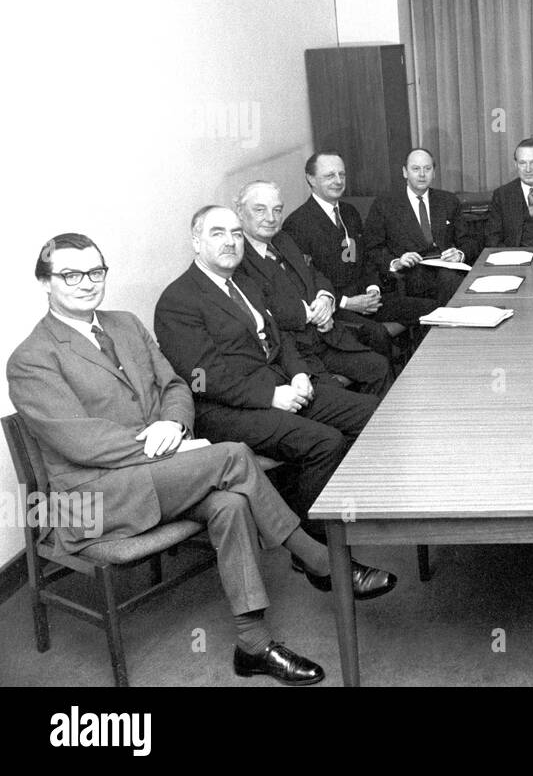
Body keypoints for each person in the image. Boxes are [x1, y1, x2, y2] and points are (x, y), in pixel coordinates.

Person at [8, 233, 394, 686]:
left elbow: (175, 385)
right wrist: (172, 447)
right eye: (70, 274)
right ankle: (321, 562)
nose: (86, 283)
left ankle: (252, 643)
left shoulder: (125, 324)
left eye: (96, 271)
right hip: (92, 498)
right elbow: (80, 442)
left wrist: (174, 426)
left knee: (229, 504)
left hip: (158, 475)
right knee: (231, 456)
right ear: (45, 283)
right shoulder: (30, 359)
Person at [153, 206, 385, 580]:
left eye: (236, 233)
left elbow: (280, 340)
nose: (230, 241)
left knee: (373, 413)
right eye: (217, 233)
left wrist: (299, 376)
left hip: (281, 386)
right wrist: (271, 394)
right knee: (325, 442)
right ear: (196, 241)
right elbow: (203, 376)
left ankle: (335, 511)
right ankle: (317, 553)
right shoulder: (178, 300)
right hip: (226, 409)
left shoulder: (243, 283)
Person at [234, 180, 391, 397]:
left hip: (325, 339)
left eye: (277, 210)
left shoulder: (283, 239)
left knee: (379, 367)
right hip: (291, 352)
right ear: (240, 213)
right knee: (340, 398)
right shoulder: (237, 258)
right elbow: (262, 310)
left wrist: (326, 298)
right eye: (260, 210)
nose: (271, 218)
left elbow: (315, 274)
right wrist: (313, 313)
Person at [281, 151, 439, 332]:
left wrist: (373, 289)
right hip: (337, 307)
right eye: (329, 176)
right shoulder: (297, 224)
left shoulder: (349, 213)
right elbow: (306, 281)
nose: (338, 181)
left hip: (366, 298)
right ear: (311, 179)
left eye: (342, 174)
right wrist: (347, 302)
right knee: (377, 334)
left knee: (432, 309)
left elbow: (365, 259)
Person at [362, 148, 475, 308]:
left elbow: (469, 241)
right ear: (405, 172)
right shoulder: (385, 204)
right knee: (451, 285)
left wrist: (459, 254)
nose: (422, 174)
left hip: (448, 270)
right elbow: (372, 248)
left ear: (434, 172)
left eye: (427, 169)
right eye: (416, 169)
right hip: (410, 276)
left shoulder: (448, 201)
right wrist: (396, 262)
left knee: (455, 281)